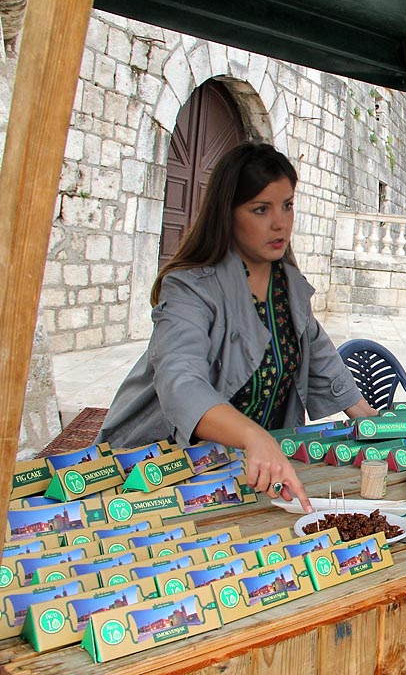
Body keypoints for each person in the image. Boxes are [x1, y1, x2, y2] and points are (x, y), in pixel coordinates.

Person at [98, 142, 377, 512]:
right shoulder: (188, 288)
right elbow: (180, 382)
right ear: (226, 213)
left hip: (250, 476)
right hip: (160, 474)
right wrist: (253, 436)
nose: (280, 223)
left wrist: (380, 427)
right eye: (261, 209)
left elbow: (324, 362)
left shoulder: (289, 285)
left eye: (287, 205)